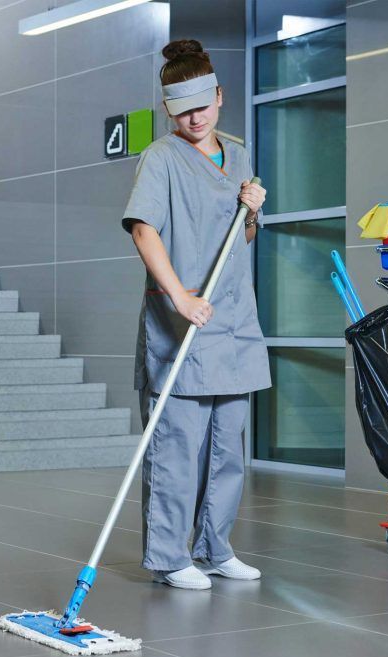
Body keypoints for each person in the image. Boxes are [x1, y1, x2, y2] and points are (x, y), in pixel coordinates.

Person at [122, 40, 270, 590]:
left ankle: (215, 547)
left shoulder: (239, 152)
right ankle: (168, 557)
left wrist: (252, 212)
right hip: (181, 319)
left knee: (229, 447)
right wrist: (179, 297)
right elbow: (144, 229)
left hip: (234, 321)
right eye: (183, 109)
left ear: (219, 96)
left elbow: (243, 238)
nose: (195, 117)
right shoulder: (159, 158)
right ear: (168, 109)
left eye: (203, 104)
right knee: (178, 448)